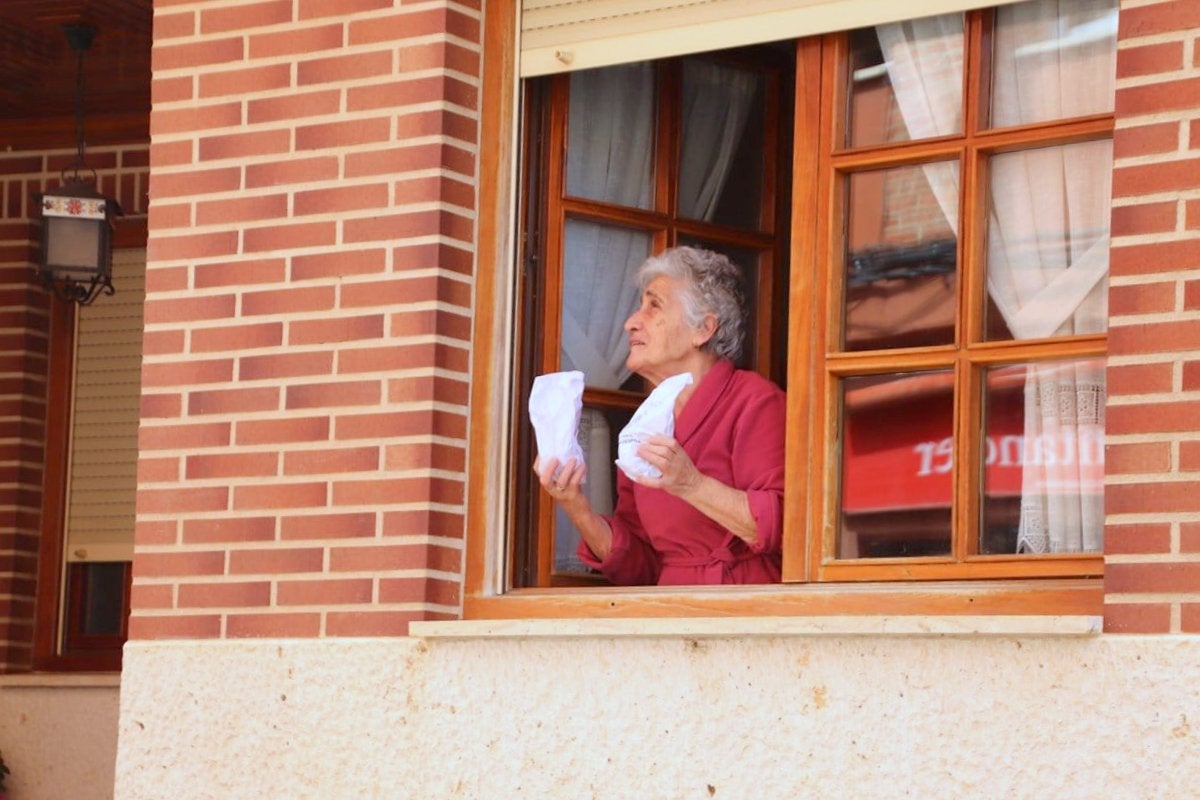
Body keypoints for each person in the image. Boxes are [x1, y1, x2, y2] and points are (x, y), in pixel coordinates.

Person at [535, 246, 786, 585]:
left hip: (742, 607)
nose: (630, 323)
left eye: (654, 306)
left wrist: (691, 484)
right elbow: (639, 566)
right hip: (670, 608)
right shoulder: (646, 423)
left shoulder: (755, 401)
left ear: (703, 329)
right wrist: (575, 505)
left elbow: (789, 529)